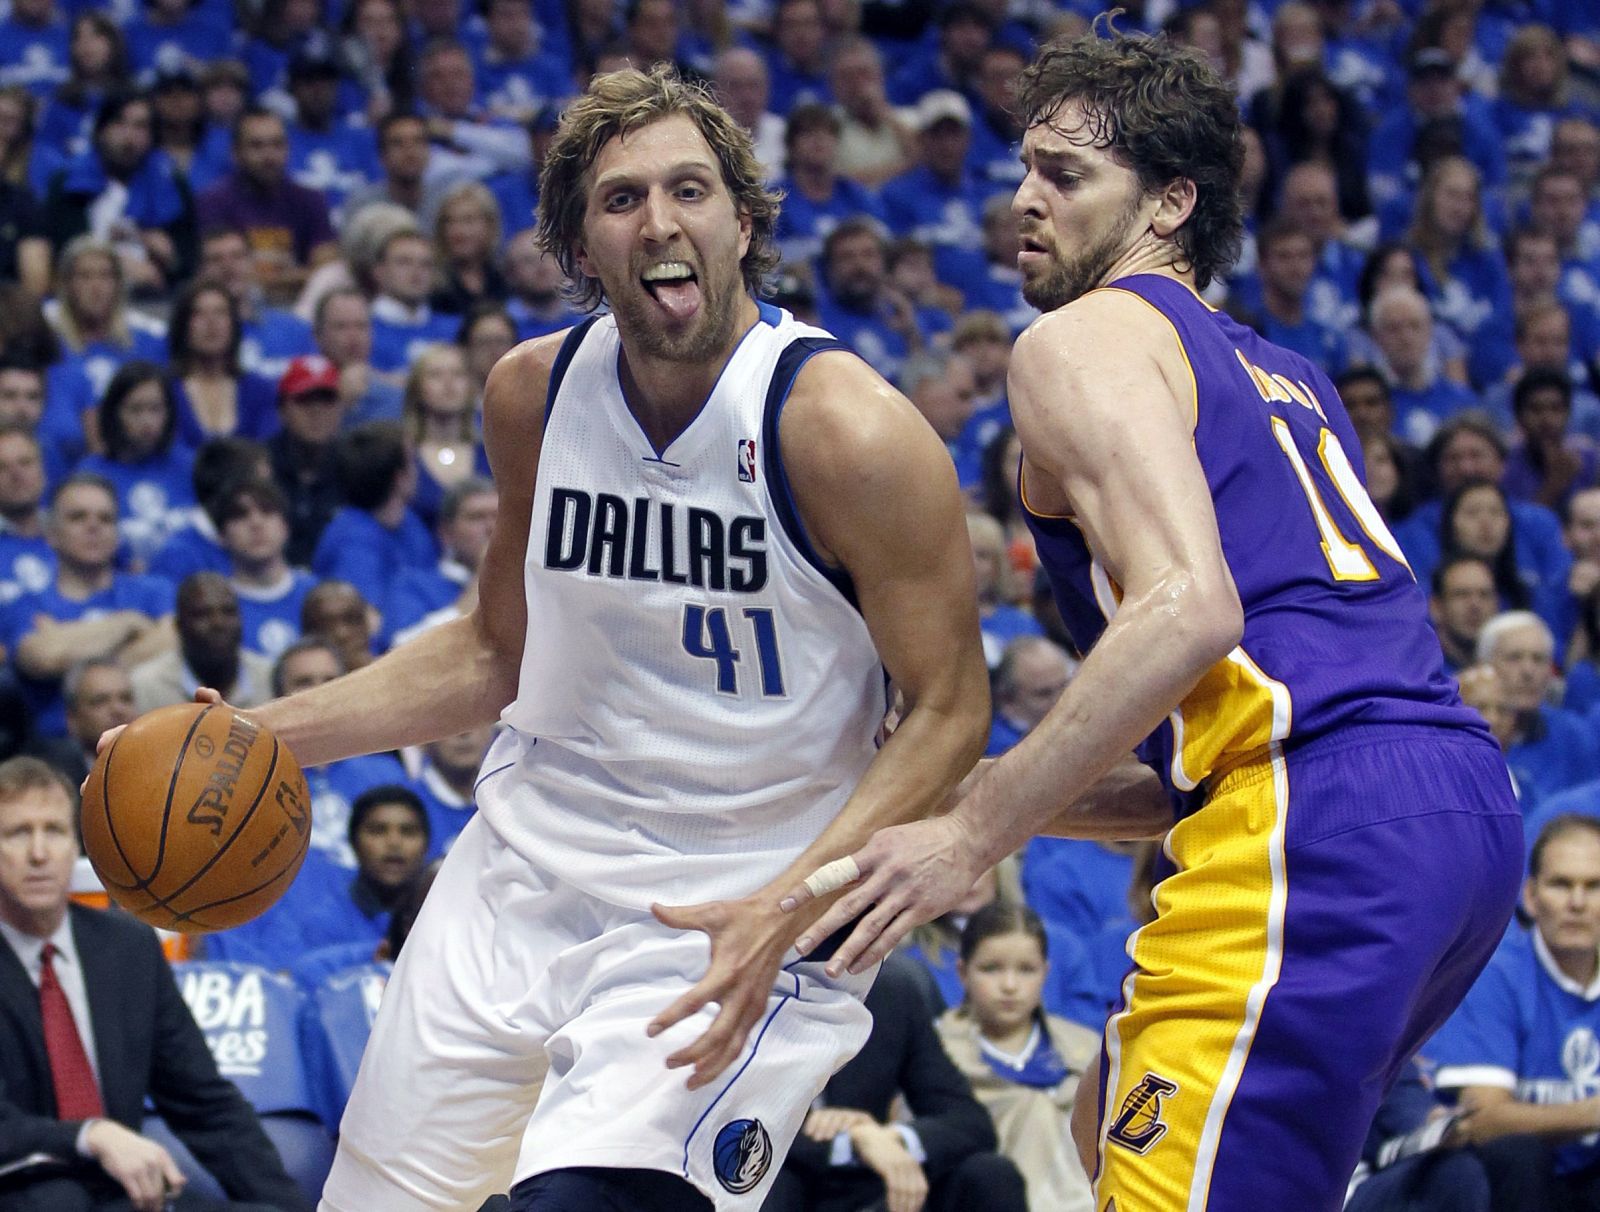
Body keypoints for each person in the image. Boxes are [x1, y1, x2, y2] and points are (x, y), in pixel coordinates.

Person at [123, 63, 988, 1211]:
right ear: (578, 246)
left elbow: (950, 707)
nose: (660, 221)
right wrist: (246, 737)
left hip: (734, 900)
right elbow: (494, 650)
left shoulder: (845, 430)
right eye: (621, 199)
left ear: (744, 217)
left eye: (690, 189)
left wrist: (786, 910)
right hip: (520, 872)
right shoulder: (534, 393)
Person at [760, 28, 1525, 1212]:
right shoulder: (1287, 373)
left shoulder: (1082, 337)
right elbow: (1221, 751)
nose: (1023, 199)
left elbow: (1190, 610)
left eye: (1065, 175)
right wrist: (984, 802)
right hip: (1453, 813)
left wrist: (971, 841)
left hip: (1311, 826)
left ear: (1171, 202)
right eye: (1023, 169)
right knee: (1109, 1099)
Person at [0, 754, 310, 1212]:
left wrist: (288, 1205)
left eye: (55, 831)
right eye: (17, 833)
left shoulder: (127, 947)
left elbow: (202, 1100)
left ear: (76, 845)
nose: (40, 853)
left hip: (124, 1193)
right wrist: (90, 1134)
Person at [1429, 814, 1600, 1211]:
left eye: (1594, 886)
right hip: (1508, 1182)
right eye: (1561, 884)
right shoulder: (1493, 974)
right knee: (1520, 1153)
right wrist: (1591, 1113)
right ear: (1530, 896)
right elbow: (1484, 1123)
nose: (1577, 902)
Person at [935, 903, 1099, 1212]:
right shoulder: (937, 1049)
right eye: (991, 968)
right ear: (962, 972)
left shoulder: (1087, 1050)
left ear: (1045, 973)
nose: (1009, 986)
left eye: (1026, 969)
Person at [128, 571, 274, 714]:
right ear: (179, 625)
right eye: (202, 614)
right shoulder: (146, 686)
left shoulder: (269, 677)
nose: (218, 623)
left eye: (228, 612)